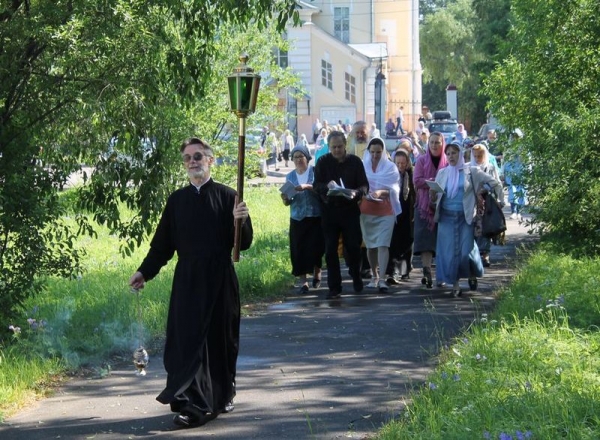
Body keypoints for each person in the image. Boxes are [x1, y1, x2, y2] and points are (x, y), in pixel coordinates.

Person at [128, 137, 253, 429]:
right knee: (186, 343)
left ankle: (222, 394)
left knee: (219, 342)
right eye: (187, 158)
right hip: (188, 281)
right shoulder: (177, 201)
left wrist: (241, 221)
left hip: (220, 280)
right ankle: (193, 402)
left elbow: (242, 245)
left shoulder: (228, 196)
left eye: (198, 156)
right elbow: (162, 247)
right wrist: (144, 272)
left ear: (210, 160)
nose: (193, 161)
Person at [432, 141, 504, 297]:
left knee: (465, 251)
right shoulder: (443, 173)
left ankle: (472, 273)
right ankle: (455, 285)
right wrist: (433, 195)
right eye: (448, 153)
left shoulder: (471, 172)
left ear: (461, 154)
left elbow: (495, 182)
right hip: (446, 218)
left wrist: (500, 199)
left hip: (465, 218)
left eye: (454, 153)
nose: (451, 156)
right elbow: (436, 196)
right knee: (450, 254)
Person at [313, 131, 369, 299]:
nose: (336, 150)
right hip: (329, 211)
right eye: (333, 147)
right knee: (330, 250)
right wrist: (327, 188)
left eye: (339, 146)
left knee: (353, 246)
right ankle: (334, 286)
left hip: (350, 210)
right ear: (329, 147)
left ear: (345, 145)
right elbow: (316, 185)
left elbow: (364, 185)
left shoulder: (355, 162)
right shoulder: (322, 162)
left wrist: (357, 193)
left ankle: (356, 274)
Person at [280, 144, 324, 293]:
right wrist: (285, 199)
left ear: (307, 158)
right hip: (297, 217)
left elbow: (321, 191)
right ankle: (303, 282)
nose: (298, 159)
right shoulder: (290, 176)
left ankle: (317, 272)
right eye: (295, 157)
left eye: (301, 156)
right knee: (299, 249)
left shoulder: (315, 172)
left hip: (315, 215)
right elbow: (288, 200)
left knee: (316, 247)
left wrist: (307, 187)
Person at [359, 137, 401, 292]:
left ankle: (382, 279)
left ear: (383, 152)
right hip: (366, 210)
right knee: (370, 246)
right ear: (368, 152)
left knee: (383, 244)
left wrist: (382, 192)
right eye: (372, 152)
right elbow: (358, 184)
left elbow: (395, 188)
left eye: (378, 152)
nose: (375, 155)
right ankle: (374, 275)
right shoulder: (363, 166)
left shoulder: (390, 167)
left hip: (385, 211)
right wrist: (365, 192)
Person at [412, 131, 448, 288]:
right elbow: (417, 181)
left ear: (442, 144)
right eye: (432, 142)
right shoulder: (421, 161)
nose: (434, 145)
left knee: (442, 241)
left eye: (437, 142)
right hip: (424, 207)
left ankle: (442, 274)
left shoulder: (447, 162)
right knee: (425, 240)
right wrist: (433, 182)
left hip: (443, 205)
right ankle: (426, 271)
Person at [470, 143, 502, 267]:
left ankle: (485, 255)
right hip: (473, 203)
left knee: (486, 228)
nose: (478, 159)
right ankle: (476, 254)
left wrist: (500, 199)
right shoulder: (470, 168)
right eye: (475, 156)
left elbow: (497, 183)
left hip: (487, 202)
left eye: (480, 156)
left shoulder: (490, 167)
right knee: (475, 229)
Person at [387, 148, 416, 283]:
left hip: (408, 212)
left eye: (403, 163)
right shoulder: (391, 174)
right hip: (394, 212)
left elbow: (415, 193)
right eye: (398, 163)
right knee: (393, 243)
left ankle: (405, 270)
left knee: (407, 242)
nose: (400, 166)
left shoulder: (411, 174)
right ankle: (393, 271)